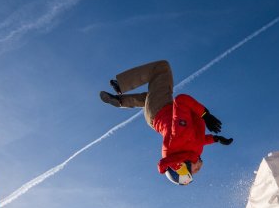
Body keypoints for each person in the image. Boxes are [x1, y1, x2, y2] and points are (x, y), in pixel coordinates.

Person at [99, 60, 233, 185]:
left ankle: (122, 84)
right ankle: (121, 101)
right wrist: (216, 139)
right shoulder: (190, 152)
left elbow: (181, 100)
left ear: (182, 165)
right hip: (157, 116)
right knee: (149, 96)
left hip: (160, 109)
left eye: (192, 172)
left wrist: (205, 114)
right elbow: (196, 140)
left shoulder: (179, 137)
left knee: (161, 68)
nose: (197, 171)